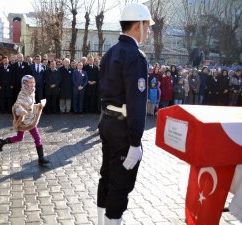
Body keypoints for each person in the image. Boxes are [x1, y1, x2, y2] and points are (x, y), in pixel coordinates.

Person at [97, 3, 154, 225]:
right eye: (147, 27)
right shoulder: (135, 56)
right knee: (121, 184)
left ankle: (102, 222)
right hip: (122, 130)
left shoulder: (110, 52)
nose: (148, 31)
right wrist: (135, 142)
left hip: (108, 123)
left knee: (107, 177)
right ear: (138, 25)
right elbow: (137, 104)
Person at [0, 75, 49, 165]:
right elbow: (17, 106)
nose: (32, 84)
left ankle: (41, 158)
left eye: (33, 82)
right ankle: (3, 142)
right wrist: (21, 111)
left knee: (37, 138)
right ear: (25, 83)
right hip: (23, 121)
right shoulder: (22, 95)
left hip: (31, 120)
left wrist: (39, 105)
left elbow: (31, 105)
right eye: (30, 83)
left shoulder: (32, 92)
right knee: (20, 138)